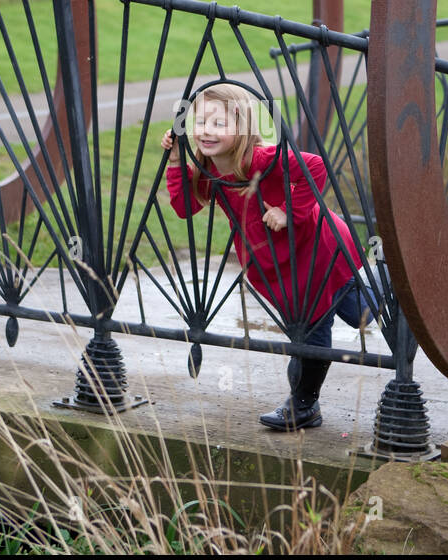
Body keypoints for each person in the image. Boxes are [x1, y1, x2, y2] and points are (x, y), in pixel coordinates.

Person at [160, 83, 375, 431]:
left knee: (314, 325)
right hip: (282, 262)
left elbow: (315, 167)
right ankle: (389, 293)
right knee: (356, 313)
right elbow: (185, 207)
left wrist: (290, 211)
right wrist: (175, 158)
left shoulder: (260, 159)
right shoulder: (212, 170)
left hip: (317, 245)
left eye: (218, 124)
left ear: (243, 128)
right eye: (199, 122)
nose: (206, 132)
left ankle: (304, 405)